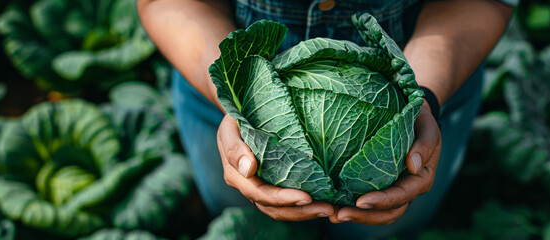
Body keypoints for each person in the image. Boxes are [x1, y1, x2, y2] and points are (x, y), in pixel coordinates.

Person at [138, 0, 514, 238]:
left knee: (389, 229)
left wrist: (424, 98)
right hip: (218, 90)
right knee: (246, 221)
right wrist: (235, 97)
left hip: (431, 83)